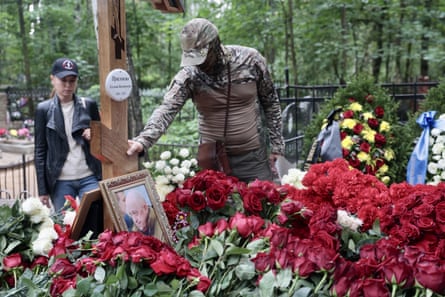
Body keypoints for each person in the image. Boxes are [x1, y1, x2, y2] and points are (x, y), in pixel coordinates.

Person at [127, 18, 284, 183]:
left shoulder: (251, 61)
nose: (198, 64)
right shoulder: (190, 75)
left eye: (201, 57)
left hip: (252, 158)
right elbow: (167, 109)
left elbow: (271, 102)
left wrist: (277, 146)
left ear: (215, 45)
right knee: (214, 208)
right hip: (212, 160)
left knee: (262, 204)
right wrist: (143, 141)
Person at [34, 57, 102, 211]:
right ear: (53, 79)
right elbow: (40, 150)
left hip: (89, 176)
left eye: (72, 80)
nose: (68, 85)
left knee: (94, 223)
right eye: (63, 80)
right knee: (65, 229)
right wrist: (42, 190)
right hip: (60, 181)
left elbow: (102, 140)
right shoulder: (43, 110)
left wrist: (96, 134)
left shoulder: (88, 105)